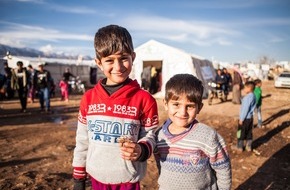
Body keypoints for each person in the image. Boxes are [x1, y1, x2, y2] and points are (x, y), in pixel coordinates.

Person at [72, 25, 159, 190]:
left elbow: (151, 136)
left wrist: (141, 149)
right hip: (96, 177)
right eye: (109, 60)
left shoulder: (144, 99)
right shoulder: (89, 99)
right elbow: (82, 140)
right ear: (99, 63)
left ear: (133, 57)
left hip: (128, 180)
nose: (118, 67)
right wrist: (78, 176)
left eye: (124, 58)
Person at [154, 74, 232, 190]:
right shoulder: (158, 135)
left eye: (189, 106)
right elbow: (160, 165)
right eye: (176, 104)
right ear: (166, 104)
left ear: (199, 108)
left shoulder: (208, 136)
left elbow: (223, 168)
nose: (182, 112)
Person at [233, 81, 256, 152]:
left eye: (245, 88)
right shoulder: (253, 96)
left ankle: (239, 146)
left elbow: (245, 109)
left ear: (249, 88)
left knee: (240, 132)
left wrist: (241, 119)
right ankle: (248, 146)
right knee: (249, 132)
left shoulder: (247, 98)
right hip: (250, 118)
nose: (244, 89)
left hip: (245, 118)